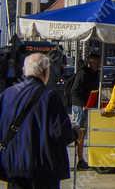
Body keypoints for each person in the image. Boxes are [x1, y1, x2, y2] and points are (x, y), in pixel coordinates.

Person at [0, 53, 75, 188]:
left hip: (13, 168)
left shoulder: (6, 95)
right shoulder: (50, 97)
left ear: (24, 71)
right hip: (42, 170)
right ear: (46, 72)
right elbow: (62, 134)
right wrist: (75, 133)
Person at [68, 52, 100, 170]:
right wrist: (82, 105)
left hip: (88, 105)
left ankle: (81, 159)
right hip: (80, 106)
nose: (96, 65)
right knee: (79, 133)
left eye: (97, 63)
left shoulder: (96, 74)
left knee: (82, 133)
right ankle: (80, 160)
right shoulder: (83, 73)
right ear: (89, 62)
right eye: (94, 63)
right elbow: (74, 91)